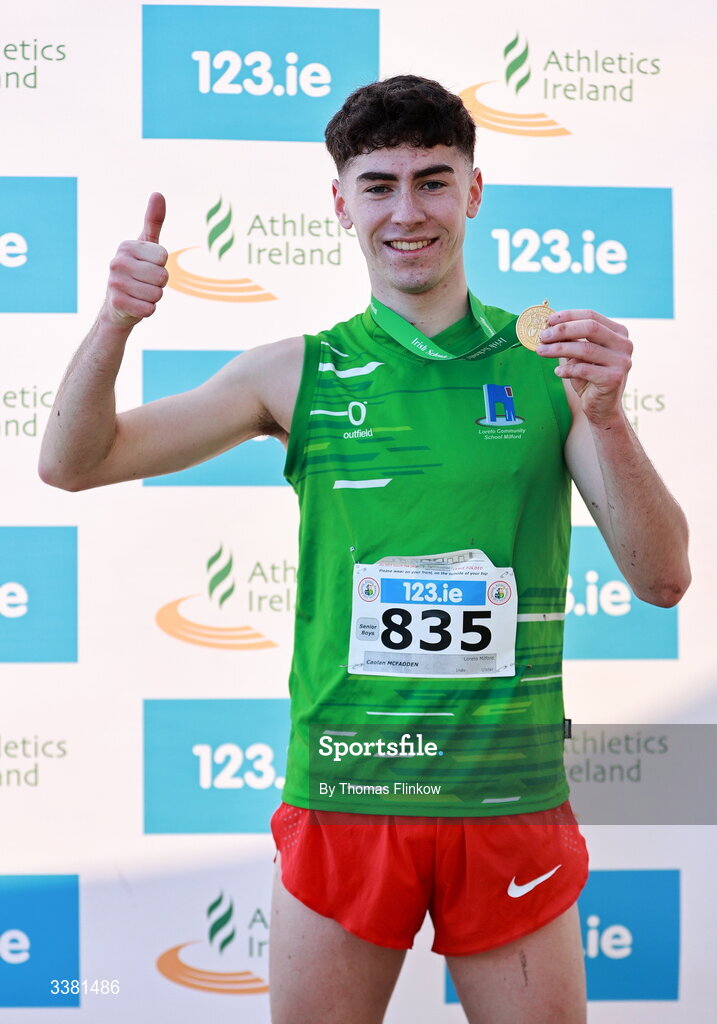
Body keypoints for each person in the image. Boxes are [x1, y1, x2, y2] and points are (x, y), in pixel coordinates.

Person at [39, 75, 690, 1024]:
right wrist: (114, 323)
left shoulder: (550, 369)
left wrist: (608, 416)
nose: (406, 211)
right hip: (348, 787)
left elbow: (663, 577)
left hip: (503, 795)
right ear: (339, 203)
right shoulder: (293, 370)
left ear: (473, 191)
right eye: (378, 184)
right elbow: (73, 463)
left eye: (432, 180)